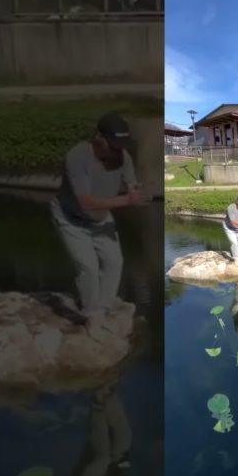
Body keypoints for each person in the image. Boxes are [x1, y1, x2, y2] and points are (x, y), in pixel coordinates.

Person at [50, 113, 150, 330]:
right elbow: (85, 202)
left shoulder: (123, 157)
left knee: (115, 262)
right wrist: (126, 199)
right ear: (99, 138)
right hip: (71, 218)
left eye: (121, 145)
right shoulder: (77, 157)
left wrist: (137, 193)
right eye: (113, 145)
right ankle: (91, 315)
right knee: (88, 267)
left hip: (102, 217)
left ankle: (103, 308)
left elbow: (131, 184)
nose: (117, 151)